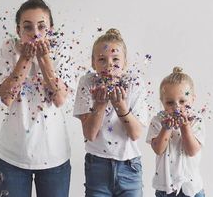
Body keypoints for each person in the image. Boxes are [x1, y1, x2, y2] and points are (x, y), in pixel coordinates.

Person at [0, 0, 75, 197]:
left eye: (41, 27)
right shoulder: (9, 48)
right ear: (18, 30)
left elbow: (60, 98)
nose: (35, 33)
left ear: (50, 29)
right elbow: (6, 98)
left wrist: (44, 58)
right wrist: (25, 58)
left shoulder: (60, 49)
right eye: (27, 27)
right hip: (13, 156)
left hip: (54, 155)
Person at [73, 28, 148, 197]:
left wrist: (120, 105)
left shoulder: (134, 83)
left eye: (115, 59)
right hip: (97, 165)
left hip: (129, 167)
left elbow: (135, 134)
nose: (109, 66)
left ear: (125, 63)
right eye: (102, 59)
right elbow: (90, 134)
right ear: (93, 63)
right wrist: (99, 104)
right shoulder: (88, 82)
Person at [146, 67, 205, 197]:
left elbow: (192, 151)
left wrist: (185, 127)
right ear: (162, 102)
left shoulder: (196, 121)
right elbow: (158, 149)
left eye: (182, 101)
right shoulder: (158, 120)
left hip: (191, 187)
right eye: (170, 102)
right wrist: (166, 128)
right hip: (165, 187)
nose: (176, 107)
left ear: (192, 99)